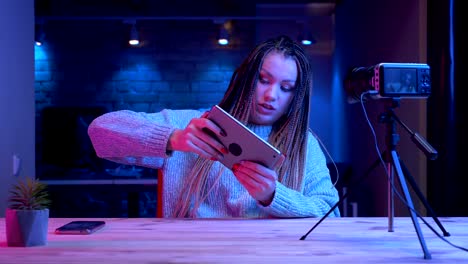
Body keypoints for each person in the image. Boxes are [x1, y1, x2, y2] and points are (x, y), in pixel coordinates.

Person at [88, 35, 341, 218]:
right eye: (263, 80)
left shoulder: (303, 144)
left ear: (295, 98)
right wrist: (172, 138)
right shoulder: (190, 125)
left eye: (286, 88)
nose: (271, 96)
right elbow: (99, 132)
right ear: (245, 79)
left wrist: (274, 196)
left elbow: (331, 215)